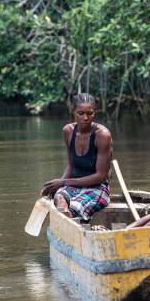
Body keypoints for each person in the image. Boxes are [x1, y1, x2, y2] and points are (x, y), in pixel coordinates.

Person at [41, 93, 112, 222]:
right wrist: (58, 184)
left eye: (90, 113)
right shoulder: (68, 131)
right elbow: (71, 165)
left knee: (75, 207)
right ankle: (65, 216)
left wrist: (63, 182)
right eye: (80, 113)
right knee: (59, 197)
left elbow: (100, 177)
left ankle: (69, 219)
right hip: (73, 186)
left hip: (97, 189)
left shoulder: (102, 135)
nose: (85, 118)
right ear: (73, 111)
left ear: (94, 113)